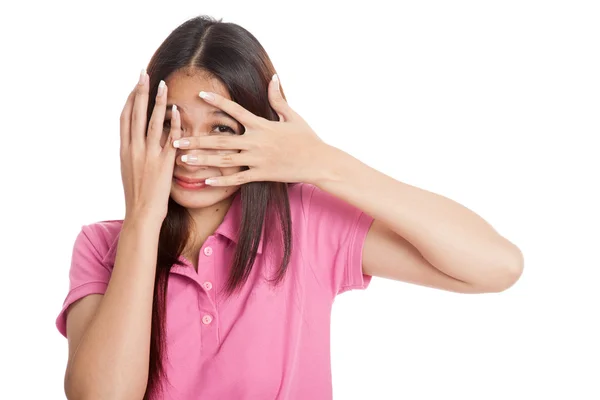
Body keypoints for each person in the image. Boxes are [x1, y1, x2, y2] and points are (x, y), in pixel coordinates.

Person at [55, 15, 524, 400]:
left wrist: (324, 163)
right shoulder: (103, 245)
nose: (190, 151)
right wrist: (141, 220)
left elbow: (496, 266)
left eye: (221, 128)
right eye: (171, 123)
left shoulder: (302, 222)